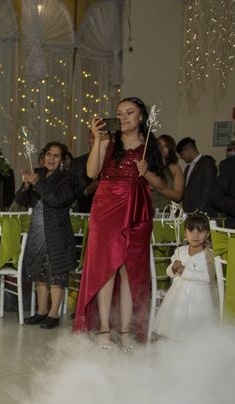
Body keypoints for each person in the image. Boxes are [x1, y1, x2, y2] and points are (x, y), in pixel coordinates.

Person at [73, 97, 165, 350]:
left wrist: (146, 172)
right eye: (119, 113)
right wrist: (97, 138)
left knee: (130, 271)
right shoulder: (108, 141)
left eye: (129, 113)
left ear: (141, 117)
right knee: (107, 268)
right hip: (106, 207)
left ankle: (125, 331)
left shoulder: (150, 147)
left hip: (137, 208)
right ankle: (104, 329)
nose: (123, 117)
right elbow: (92, 173)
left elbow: (163, 185)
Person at [16, 142, 77, 329]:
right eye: (49, 154)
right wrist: (26, 185)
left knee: (55, 275)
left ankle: (54, 315)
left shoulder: (67, 179)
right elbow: (20, 200)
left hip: (56, 233)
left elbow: (56, 201)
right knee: (39, 274)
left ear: (62, 160)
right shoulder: (38, 173)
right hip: (36, 231)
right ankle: (42, 312)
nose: (51, 159)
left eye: (56, 156)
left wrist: (37, 183)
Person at [153, 213, 217, 339]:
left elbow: (207, 277)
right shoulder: (179, 251)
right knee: (176, 325)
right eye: (191, 231)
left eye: (200, 231)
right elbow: (169, 273)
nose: (195, 235)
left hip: (200, 297)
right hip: (178, 296)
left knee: (196, 332)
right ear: (185, 233)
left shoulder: (208, 254)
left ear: (208, 234)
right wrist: (173, 268)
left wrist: (184, 271)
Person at [177, 137, 217, 216]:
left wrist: (199, 211)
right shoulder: (188, 168)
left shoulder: (206, 162)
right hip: (189, 212)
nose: (181, 157)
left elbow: (208, 188)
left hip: (203, 213)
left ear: (189, 149)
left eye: (181, 154)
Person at [151, 134, 185, 212]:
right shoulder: (146, 166)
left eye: (166, 146)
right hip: (146, 211)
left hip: (166, 213)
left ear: (170, 149)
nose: (162, 148)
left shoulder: (175, 168)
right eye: (159, 145)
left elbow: (178, 196)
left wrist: (156, 187)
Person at [70, 131, 98, 213]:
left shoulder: (113, 163)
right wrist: (87, 190)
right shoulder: (77, 163)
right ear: (88, 140)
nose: (97, 141)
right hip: (83, 212)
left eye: (100, 138)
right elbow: (70, 192)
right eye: (93, 137)